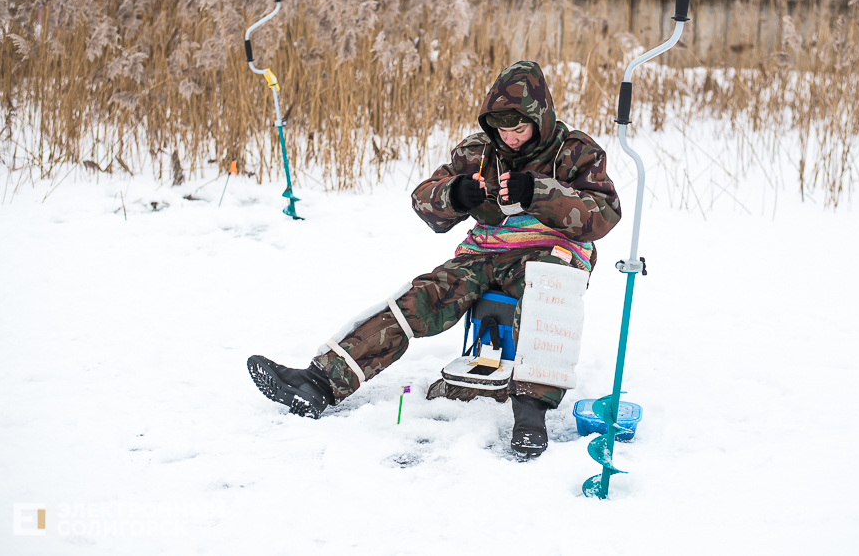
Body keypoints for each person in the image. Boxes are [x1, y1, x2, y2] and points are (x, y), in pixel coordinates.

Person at [248, 61, 621, 457]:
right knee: (420, 298)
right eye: (502, 131)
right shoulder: (478, 151)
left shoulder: (576, 151)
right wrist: (454, 194)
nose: (510, 139)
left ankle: (531, 414)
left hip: (553, 253)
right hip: (487, 251)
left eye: (519, 130)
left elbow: (604, 214)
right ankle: (320, 382)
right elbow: (423, 199)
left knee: (546, 297)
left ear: (540, 119)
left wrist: (538, 192)